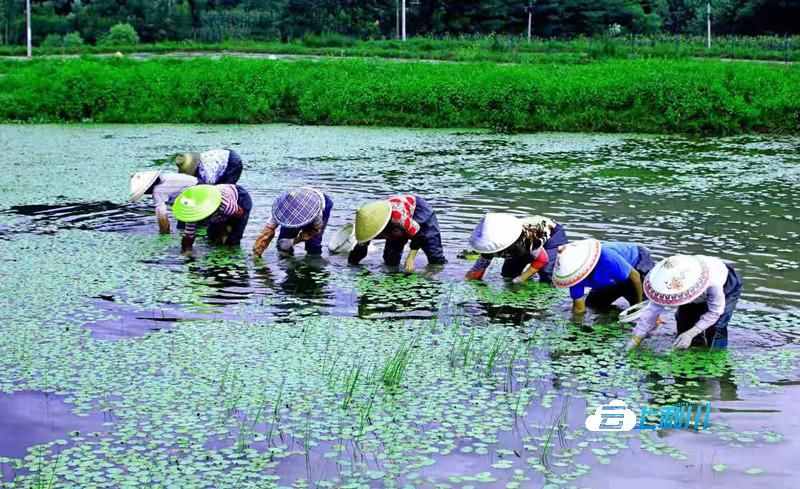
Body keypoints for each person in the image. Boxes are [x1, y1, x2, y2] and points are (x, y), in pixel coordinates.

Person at [627, 254, 742, 350]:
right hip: (689, 288)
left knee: (717, 327)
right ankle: (692, 353)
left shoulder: (713, 283)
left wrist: (691, 333)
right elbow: (651, 312)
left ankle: (717, 359)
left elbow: (715, 312)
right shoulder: (664, 284)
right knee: (683, 321)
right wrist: (636, 338)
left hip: (726, 285)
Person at [348, 195, 446, 272]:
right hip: (395, 227)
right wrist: (352, 265)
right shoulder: (367, 226)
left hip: (419, 210)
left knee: (435, 257)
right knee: (390, 260)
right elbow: (359, 249)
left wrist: (410, 259)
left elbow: (419, 235)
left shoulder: (398, 218)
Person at [553, 239, 652, 315]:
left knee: (642, 312)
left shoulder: (607, 258)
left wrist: (637, 305)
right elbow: (579, 308)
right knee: (593, 305)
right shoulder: (574, 277)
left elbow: (635, 277)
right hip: (611, 277)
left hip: (637, 265)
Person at [465, 213, 568, 284]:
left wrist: (521, 278)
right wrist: (470, 281)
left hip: (552, 235)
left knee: (546, 273)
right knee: (508, 273)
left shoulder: (525, 239)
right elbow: (479, 268)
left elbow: (542, 259)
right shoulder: (489, 245)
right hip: (523, 245)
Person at [252, 187, 333, 258]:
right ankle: (287, 262)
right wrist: (258, 249)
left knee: (313, 244)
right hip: (299, 200)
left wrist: (299, 239)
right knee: (283, 243)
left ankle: (313, 261)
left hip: (320, 203)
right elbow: (267, 231)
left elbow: (316, 229)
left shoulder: (316, 213)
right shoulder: (280, 210)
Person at [173, 184, 252, 254]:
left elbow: (239, 214)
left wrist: (227, 227)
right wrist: (186, 251)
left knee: (233, 240)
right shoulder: (192, 212)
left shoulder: (224, 205)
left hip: (240, 200)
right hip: (220, 208)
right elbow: (188, 235)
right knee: (212, 237)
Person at [129, 170, 197, 233]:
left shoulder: (158, 191)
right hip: (195, 191)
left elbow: (162, 215)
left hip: (197, 196)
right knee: (182, 225)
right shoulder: (166, 177)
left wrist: (164, 232)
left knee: (185, 228)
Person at [175, 149, 243, 185]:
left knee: (225, 188)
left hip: (232, 161)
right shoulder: (197, 163)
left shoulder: (206, 172)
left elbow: (210, 189)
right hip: (222, 155)